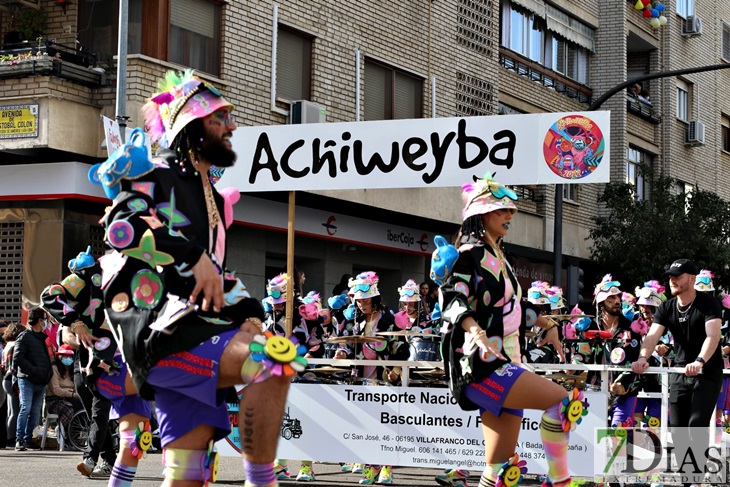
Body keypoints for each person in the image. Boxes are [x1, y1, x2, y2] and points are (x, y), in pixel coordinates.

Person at [90, 69, 298, 487]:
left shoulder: (212, 196)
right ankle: (262, 481)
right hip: (161, 329)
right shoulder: (159, 174)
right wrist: (191, 254)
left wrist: (250, 312)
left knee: (186, 477)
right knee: (272, 360)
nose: (233, 126)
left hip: (192, 331)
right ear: (192, 127)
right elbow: (119, 225)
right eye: (220, 118)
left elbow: (214, 276)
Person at [437, 173, 588, 487]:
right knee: (564, 402)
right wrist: (474, 330)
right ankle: (559, 480)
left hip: (507, 360)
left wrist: (547, 323)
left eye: (510, 210)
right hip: (485, 364)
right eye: (500, 209)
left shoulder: (498, 257)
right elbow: (451, 298)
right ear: (481, 215)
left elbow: (513, 308)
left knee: (499, 471)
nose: (509, 215)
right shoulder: (470, 257)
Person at [42, 246, 154, 482]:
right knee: (94, 407)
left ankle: (92, 457)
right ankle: (110, 460)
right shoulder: (87, 275)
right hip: (86, 359)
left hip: (119, 359)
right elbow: (50, 296)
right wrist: (75, 324)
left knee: (103, 411)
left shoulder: (140, 281)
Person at [632, 259, 723, 486]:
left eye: (678, 276)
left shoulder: (709, 304)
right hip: (680, 371)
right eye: (670, 276)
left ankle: (694, 479)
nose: (672, 280)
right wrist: (643, 357)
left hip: (707, 371)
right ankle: (687, 478)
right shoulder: (666, 307)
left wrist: (700, 361)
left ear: (692, 279)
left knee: (696, 424)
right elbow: (652, 336)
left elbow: (713, 336)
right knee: (679, 430)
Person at [13, 307, 53, 451]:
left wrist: (48, 374)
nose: (46, 323)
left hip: (40, 381)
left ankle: (28, 440)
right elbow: (18, 358)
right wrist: (34, 371)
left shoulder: (42, 338)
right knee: (26, 408)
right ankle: (19, 440)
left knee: (34, 412)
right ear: (39, 320)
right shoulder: (25, 336)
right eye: (44, 319)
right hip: (27, 379)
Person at [631, 281, 666, 428]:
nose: (644, 308)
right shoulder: (633, 323)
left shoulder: (667, 324)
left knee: (654, 424)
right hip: (638, 380)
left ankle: (654, 449)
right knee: (636, 422)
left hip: (660, 382)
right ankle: (637, 449)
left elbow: (675, 348)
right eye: (642, 305)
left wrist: (666, 349)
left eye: (648, 306)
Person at [45, 344, 83, 445]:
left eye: (70, 356)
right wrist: (71, 394)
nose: (68, 359)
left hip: (70, 398)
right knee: (69, 411)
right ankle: (65, 435)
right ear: (59, 356)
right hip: (54, 400)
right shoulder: (54, 369)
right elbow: (56, 390)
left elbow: (75, 387)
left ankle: (75, 437)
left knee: (82, 409)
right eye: (65, 356)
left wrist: (73, 394)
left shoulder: (72, 371)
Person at [2, 321, 24, 447]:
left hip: (6, 378)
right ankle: (11, 438)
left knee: (11, 411)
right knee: (15, 411)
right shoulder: (15, 345)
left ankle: (8, 437)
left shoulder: (7, 345)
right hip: (12, 378)